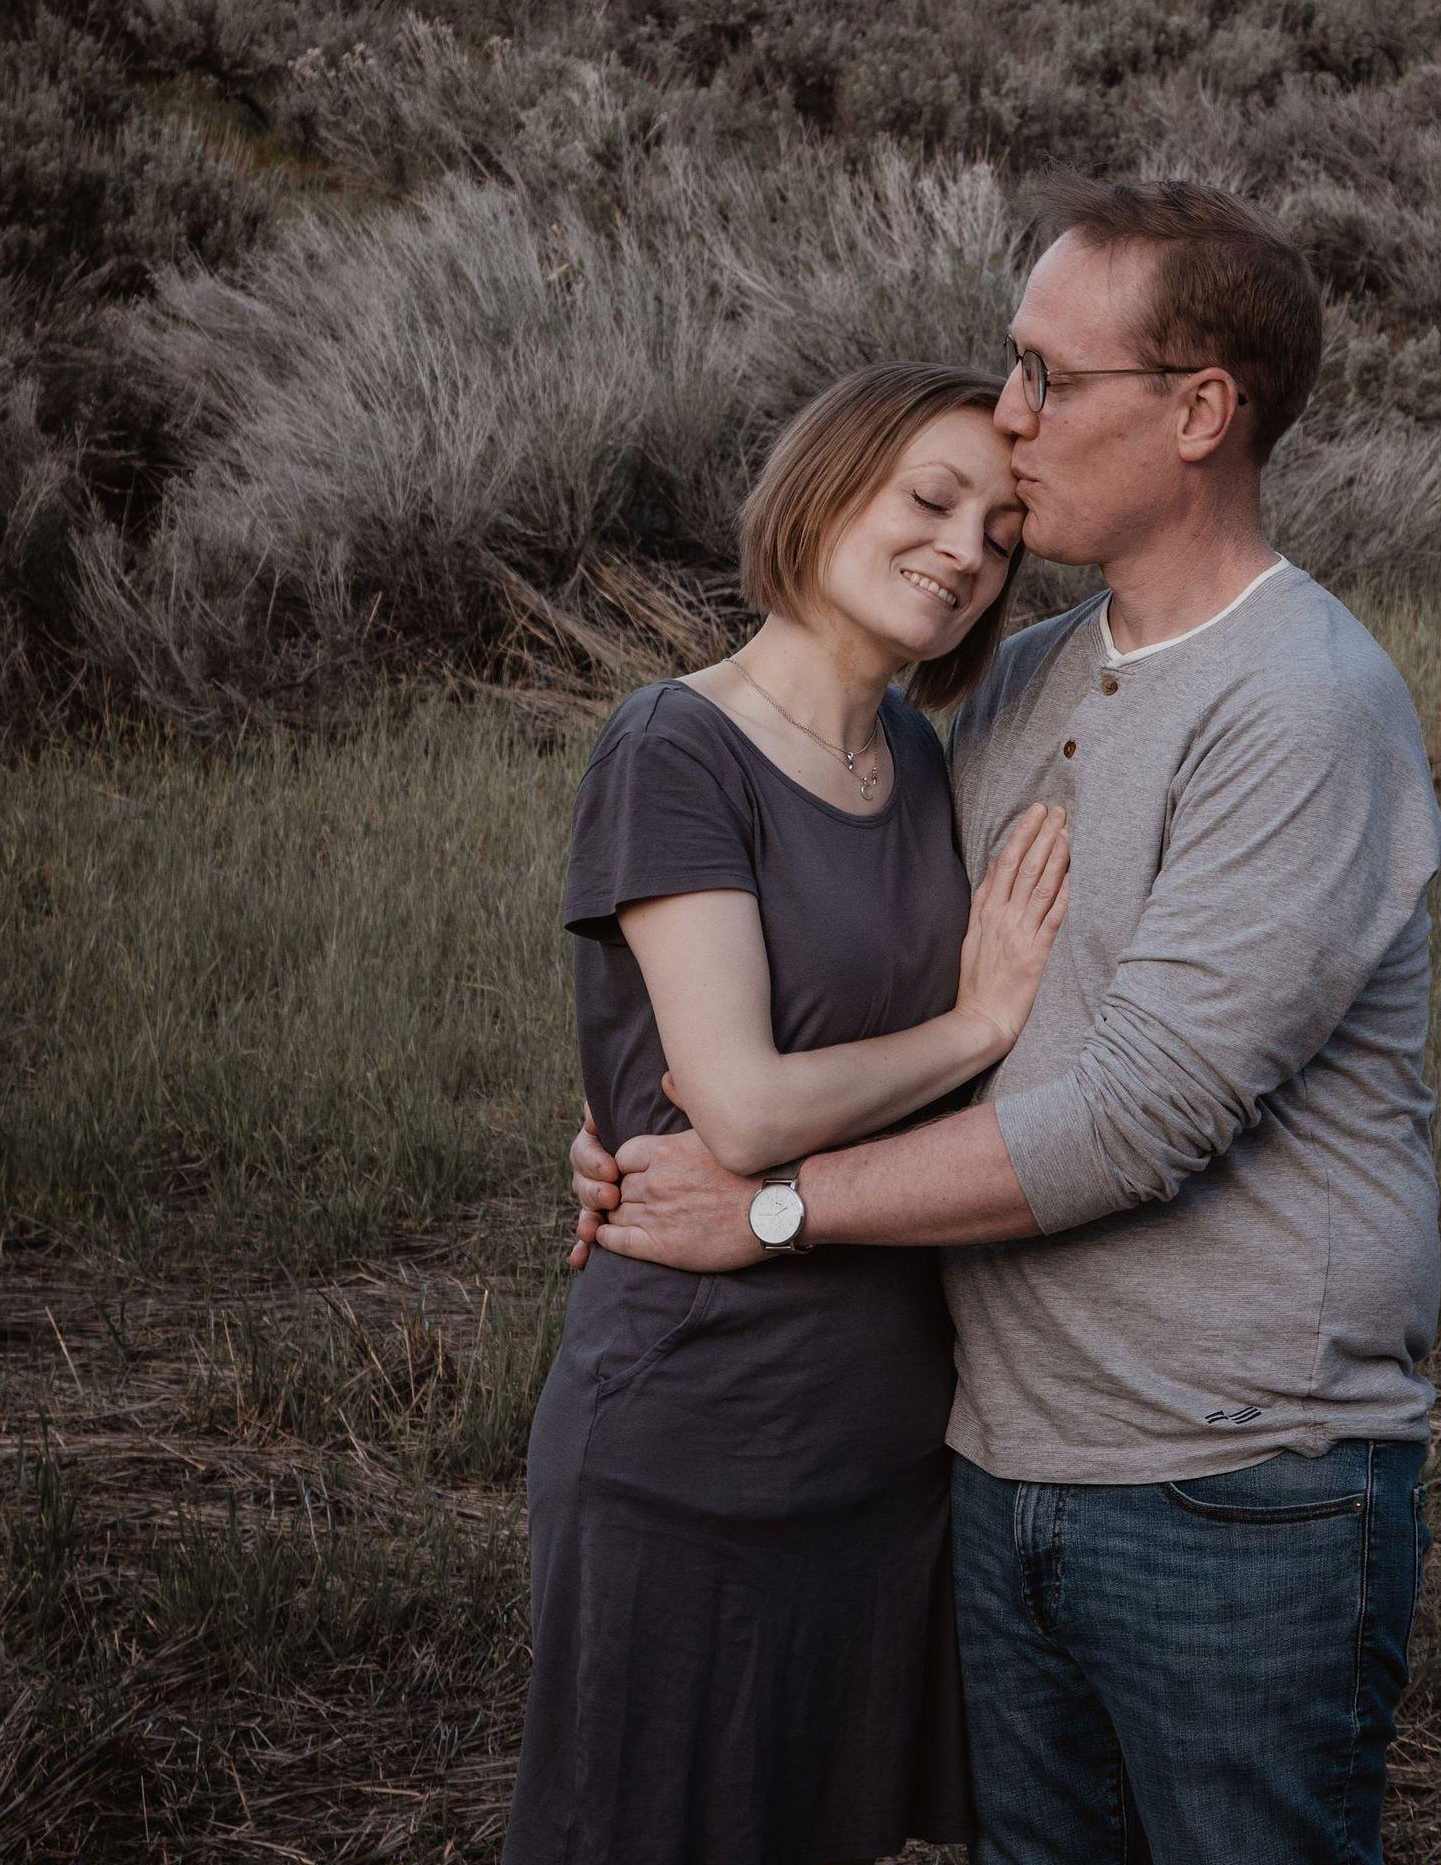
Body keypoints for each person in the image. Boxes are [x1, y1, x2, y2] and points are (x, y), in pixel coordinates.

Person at [573, 180, 1441, 1865]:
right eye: (1012, 365)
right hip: (991, 1454)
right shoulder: (1015, 680)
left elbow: (1139, 1115)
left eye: (1052, 374)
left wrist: (770, 1204)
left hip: (1235, 1478)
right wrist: (650, 1122)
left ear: (1200, 412)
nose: (1014, 412)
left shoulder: (1303, 704)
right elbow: (863, 976)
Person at [504, 363, 1073, 1865]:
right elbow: (744, 1108)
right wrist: (978, 1023)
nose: (965, 551)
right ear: (822, 491)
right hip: (699, 1428)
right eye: (931, 500)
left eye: (1002, 531)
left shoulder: (921, 762)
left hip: (885, 1440)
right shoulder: (673, 746)